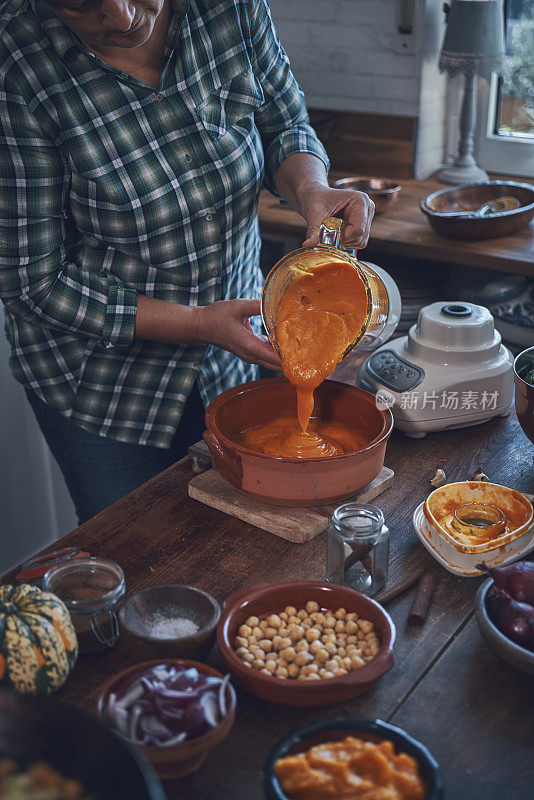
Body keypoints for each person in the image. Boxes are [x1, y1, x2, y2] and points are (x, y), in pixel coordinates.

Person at [0, 0, 374, 524]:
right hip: (104, 390)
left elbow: (284, 125)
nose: (124, 17)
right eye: (82, 5)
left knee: (235, 544)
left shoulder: (230, 7)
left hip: (233, 356)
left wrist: (311, 188)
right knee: (135, 554)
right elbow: (31, 283)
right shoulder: (16, 65)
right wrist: (198, 323)